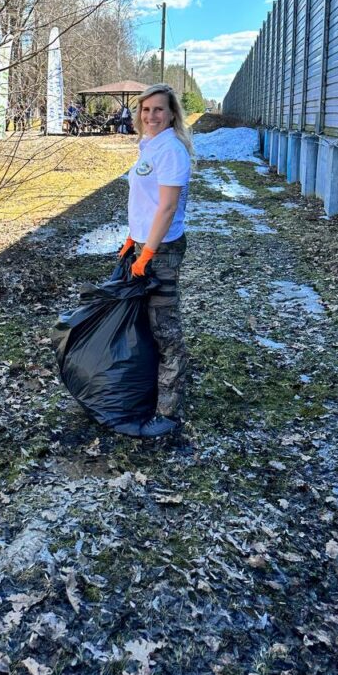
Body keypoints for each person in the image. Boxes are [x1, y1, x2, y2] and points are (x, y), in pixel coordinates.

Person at [119, 83, 192, 439]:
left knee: (165, 330)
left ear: (172, 113)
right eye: (146, 110)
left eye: (158, 110)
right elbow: (145, 203)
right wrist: (133, 238)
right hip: (146, 245)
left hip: (162, 251)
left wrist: (148, 252)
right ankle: (150, 393)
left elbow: (167, 207)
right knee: (147, 323)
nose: (151, 116)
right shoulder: (149, 147)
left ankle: (167, 412)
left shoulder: (172, 151)